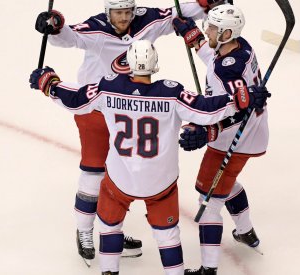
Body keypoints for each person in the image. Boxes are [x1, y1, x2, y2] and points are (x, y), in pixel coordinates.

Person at [29, 40, 270, 275]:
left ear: (128, 63)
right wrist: (241, 98)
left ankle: (109, 272)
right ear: (155, 64)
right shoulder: (172, 93)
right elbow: (207, 109)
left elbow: (76, 99)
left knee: (109, 226)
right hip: (160, 183)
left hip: (120, 180)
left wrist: (49, 83)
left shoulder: (107, 87)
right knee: (167, 234)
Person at [34, 0, 220, 263]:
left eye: (127, 12)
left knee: (127, 172)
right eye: (117, 13)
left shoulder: (146, 20)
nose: (123, 18)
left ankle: (111, 228)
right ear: (107, 12)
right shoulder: (97, 28)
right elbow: (69, 38)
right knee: (94, 170)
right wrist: (54, 25)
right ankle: (85, 231)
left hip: (133, 107)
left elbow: (176, 13)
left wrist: (204, 4)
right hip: (96, 108)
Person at [173, 4, 269, 274]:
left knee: (209, 197)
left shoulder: (229, 71)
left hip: (234, 139)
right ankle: (246, 231)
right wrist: (195, 40)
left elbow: (240, 110)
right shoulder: (241, 47)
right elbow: (217, 61)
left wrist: (208, 132)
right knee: (225, 183)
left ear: (227, 32)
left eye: (212, 28)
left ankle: (209, 269)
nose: (206, 29)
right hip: (254, 134)